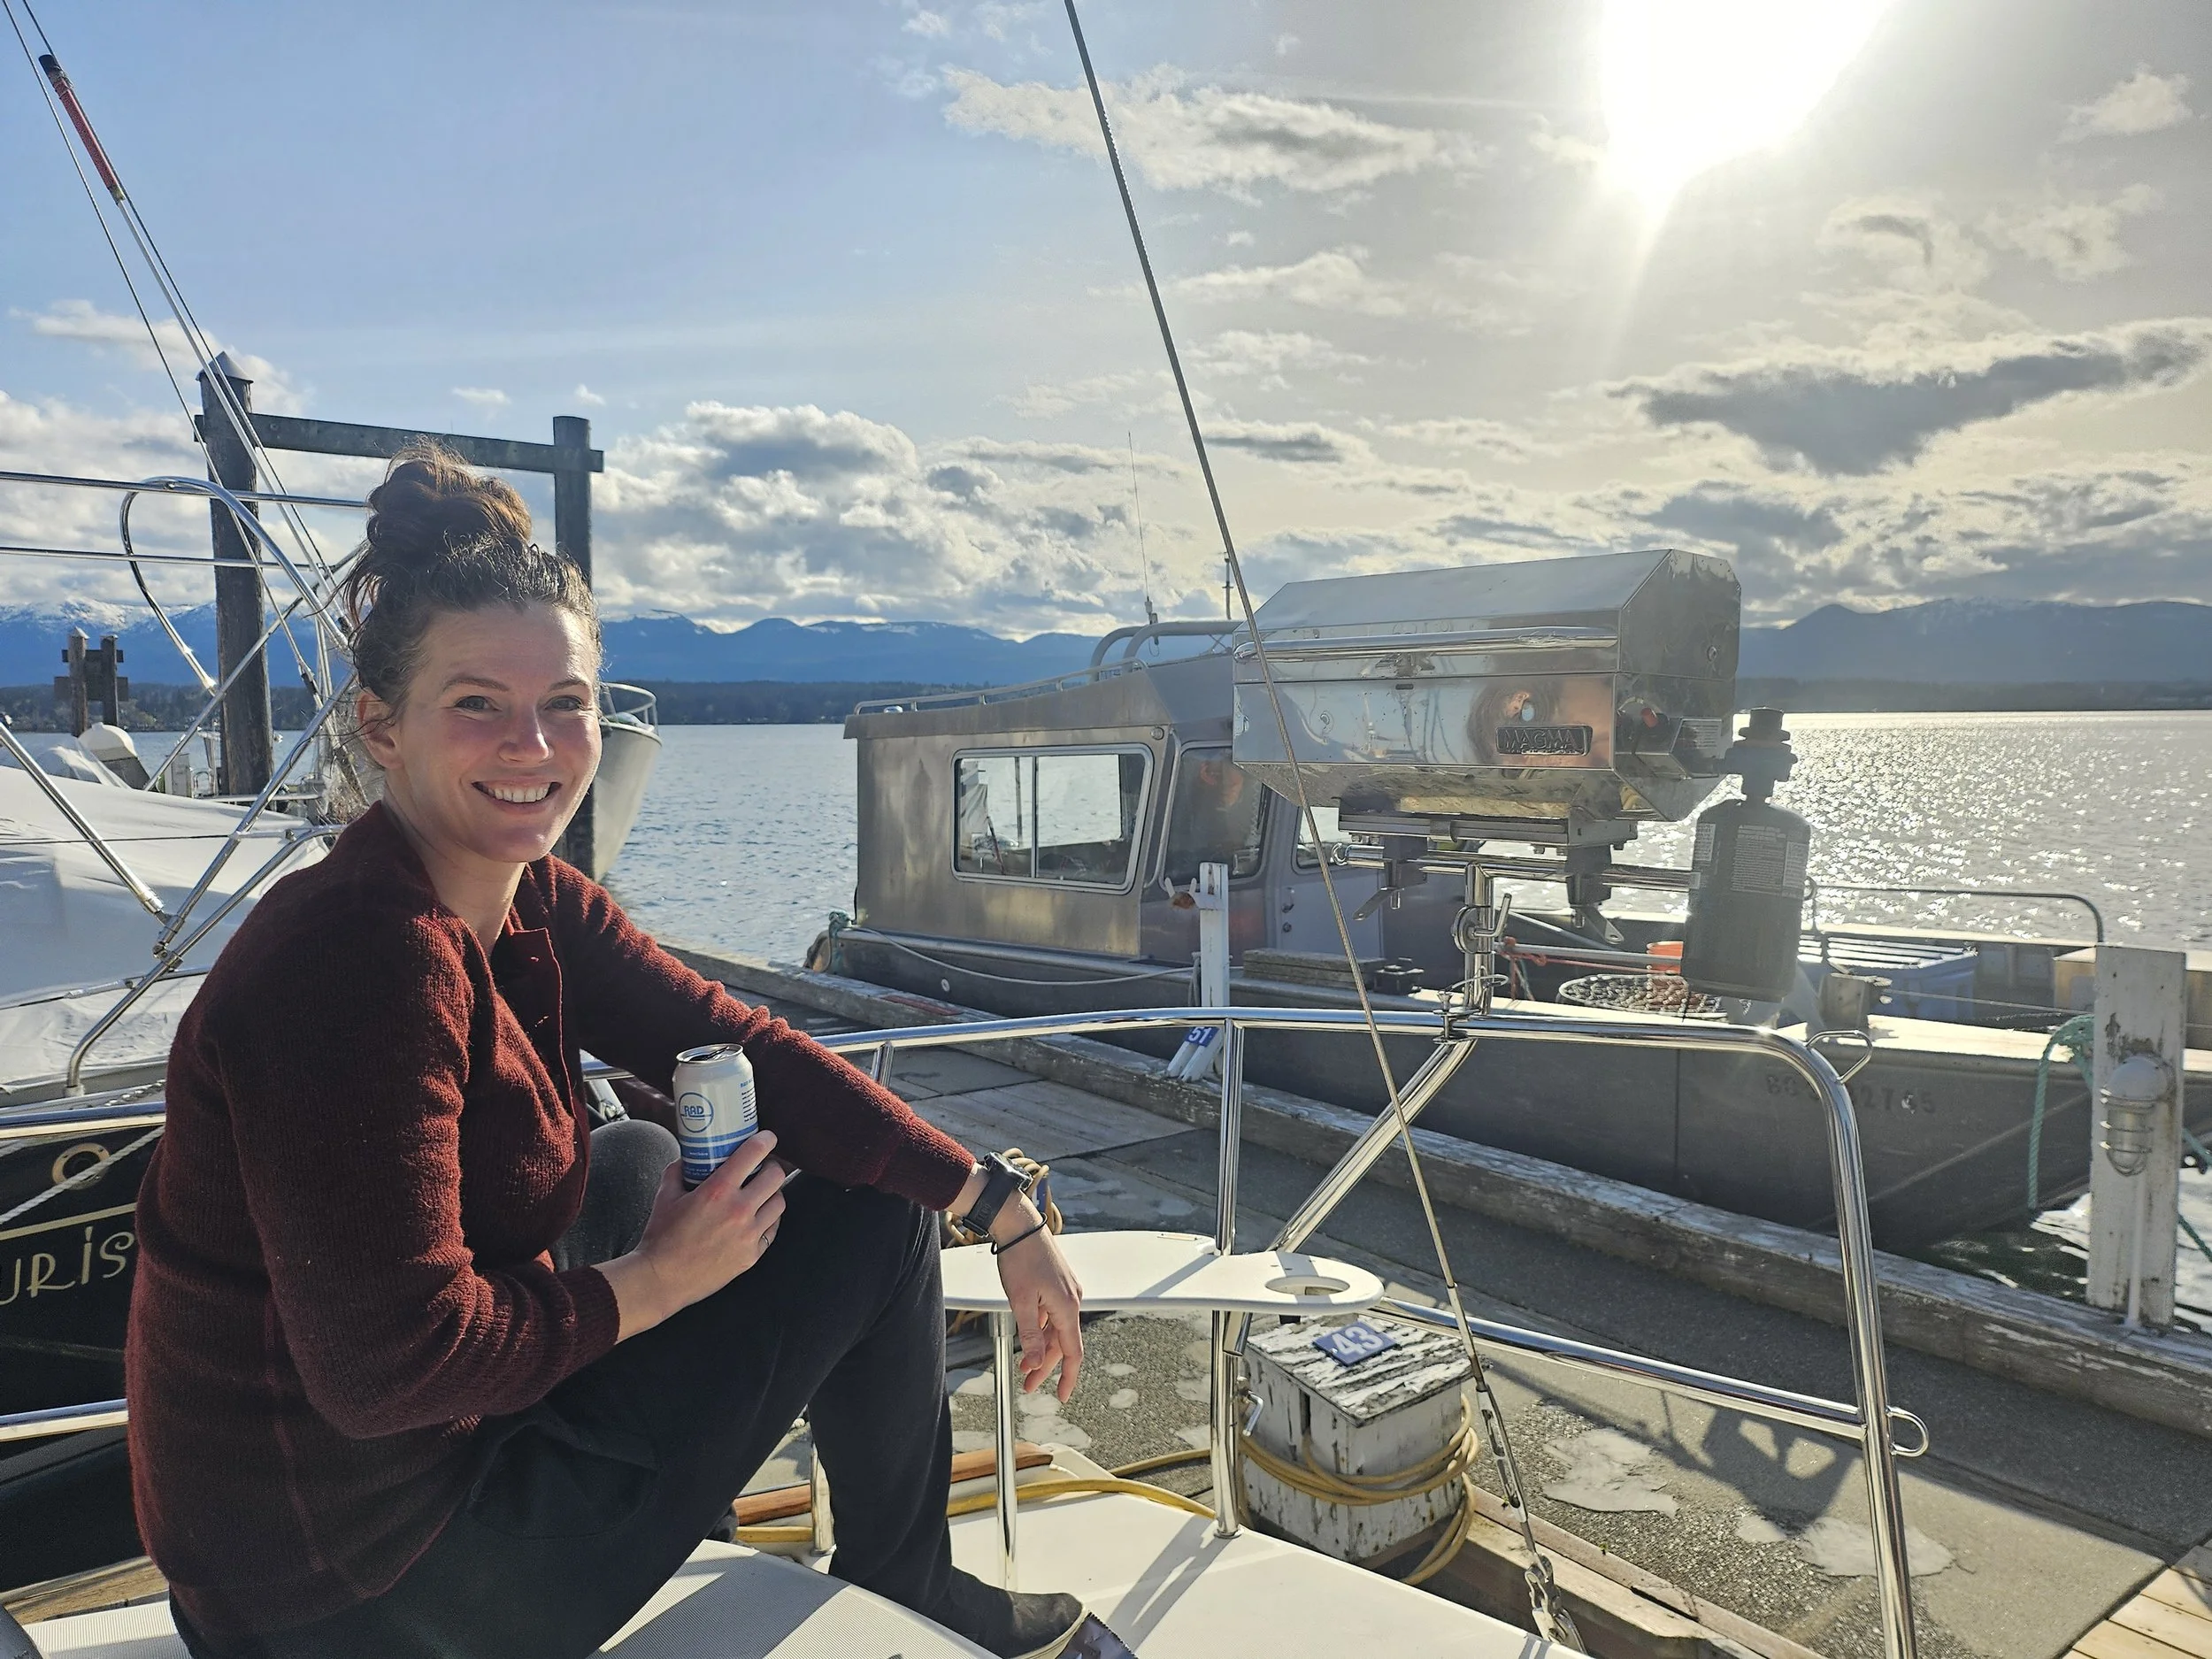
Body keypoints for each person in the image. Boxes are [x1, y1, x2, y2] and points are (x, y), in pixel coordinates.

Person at [126, 447, 1088, 1659]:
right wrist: (658, 1287)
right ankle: (913, 1581)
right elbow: (387, 1369)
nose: (534, 743)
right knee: (862, 1218)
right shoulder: (365, 965)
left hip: (371, 1513)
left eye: (566, 701)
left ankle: (816, 1521)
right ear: (383, 726)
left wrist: (996, 1201)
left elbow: (747, 1044)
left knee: (644, 1150)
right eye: (477, 702)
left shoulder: (522, 894)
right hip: (355, 1600)